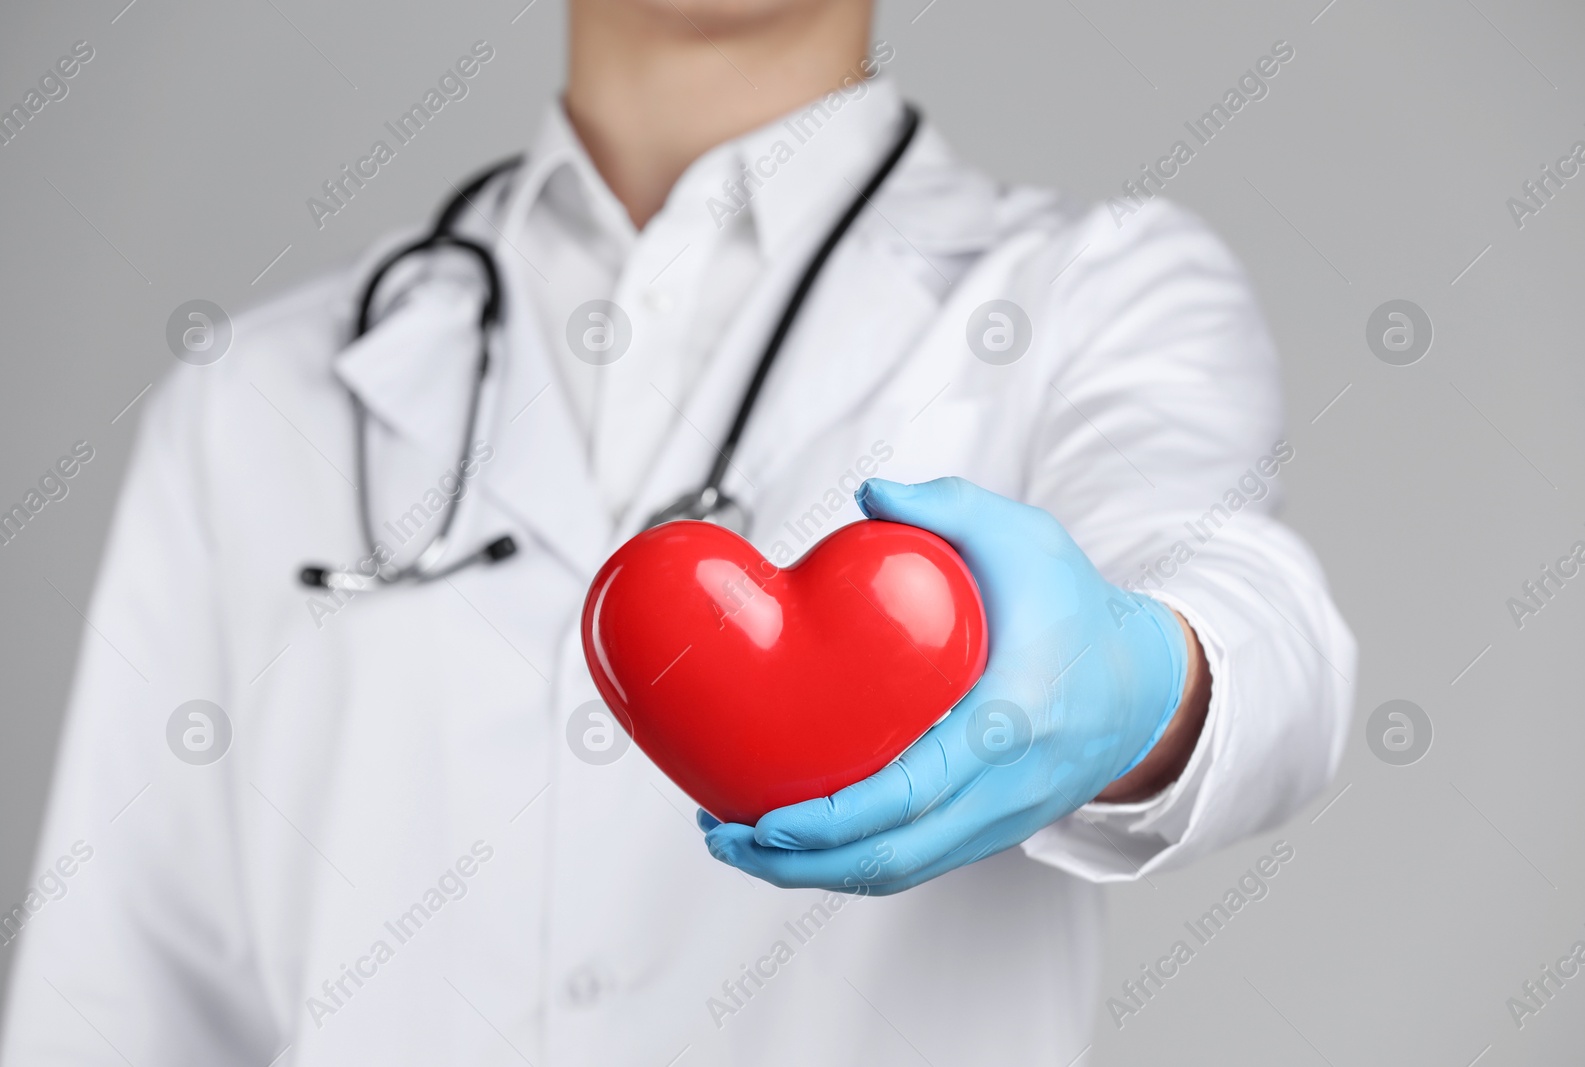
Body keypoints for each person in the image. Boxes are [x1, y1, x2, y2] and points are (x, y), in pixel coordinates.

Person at [0, 0, 1355, 1062]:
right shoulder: (256, 398)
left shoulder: (1088, 300)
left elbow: (1259, 617)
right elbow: (117, 1008)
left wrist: (1138, 680)